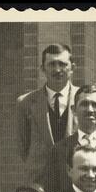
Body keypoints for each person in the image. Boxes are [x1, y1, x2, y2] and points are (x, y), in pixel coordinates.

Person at [17, 44, 79, 183]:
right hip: (40, 180)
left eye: (62, 64)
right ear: (42, 69)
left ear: (72, 68)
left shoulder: (83, 99)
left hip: (75, 179)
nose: (57, 70)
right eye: (51, 64)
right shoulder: (26, 102)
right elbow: (23, 146)